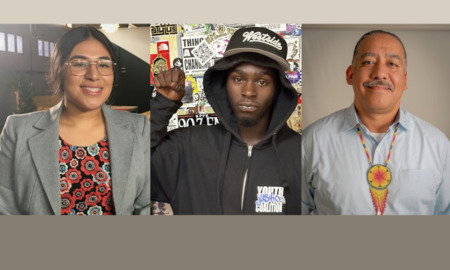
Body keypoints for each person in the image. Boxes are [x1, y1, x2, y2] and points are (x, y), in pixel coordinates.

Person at [0, 26, 150, 215]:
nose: (93, 75)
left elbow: (146, 206)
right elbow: (4, 209)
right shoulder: (18, 130)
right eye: (80, 64)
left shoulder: (139, 128)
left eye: (103, 65)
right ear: (59, 69)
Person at [151, 27, 301, 214]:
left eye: (262, 81)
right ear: (223, 83)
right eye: (238, 79)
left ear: (278, 88)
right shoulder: (187, 145)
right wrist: (163, 105)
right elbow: (130, 172)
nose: (248, 91)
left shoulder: (302, 152)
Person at [302, 30, 450, 215]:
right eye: (368, 62)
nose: (380, 72)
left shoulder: (437, 144)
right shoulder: (311, 141)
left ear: (404, 81)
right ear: (350, 75)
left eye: (392, 64)